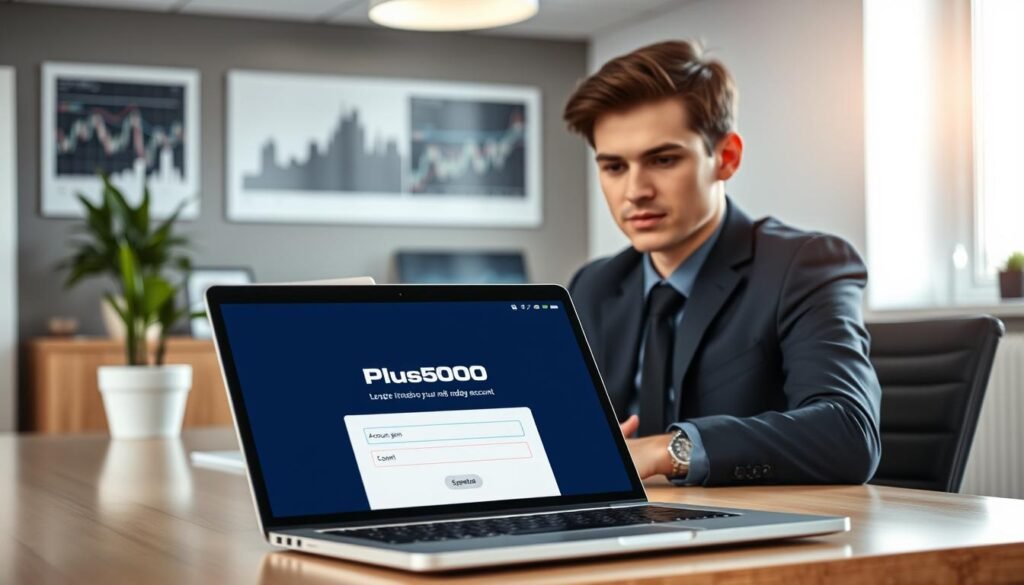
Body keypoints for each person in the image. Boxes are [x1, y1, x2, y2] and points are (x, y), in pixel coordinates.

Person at [563, 40, 881, 486]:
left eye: (663, 159)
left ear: (726, 157)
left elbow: (849, 433)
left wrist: (665, 450)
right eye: (614, 167)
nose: (635, 191)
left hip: (757, 533)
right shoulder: (594, 285)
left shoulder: (804, 266)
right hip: (621, 526)